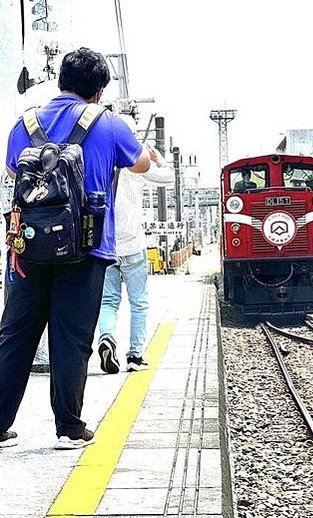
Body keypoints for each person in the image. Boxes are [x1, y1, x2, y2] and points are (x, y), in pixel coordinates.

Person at [0, 48, 150, 452]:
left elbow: (16, 172)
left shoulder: (24, 124)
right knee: (71, 337)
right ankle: (69, 428)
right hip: (85, 248)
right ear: (100, 91)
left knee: (14, 334)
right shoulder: (110, 124)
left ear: (61, 81)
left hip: (27, 248)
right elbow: (139, 164)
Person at [97, 113, 174, 374]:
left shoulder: (102, 159)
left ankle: (107, 339)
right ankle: (135, 356)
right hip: (133, 246)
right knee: (138, 302)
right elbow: (168, 177)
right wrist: (156, 157)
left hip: (106, 246)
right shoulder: (136, 166)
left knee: (108, 301)